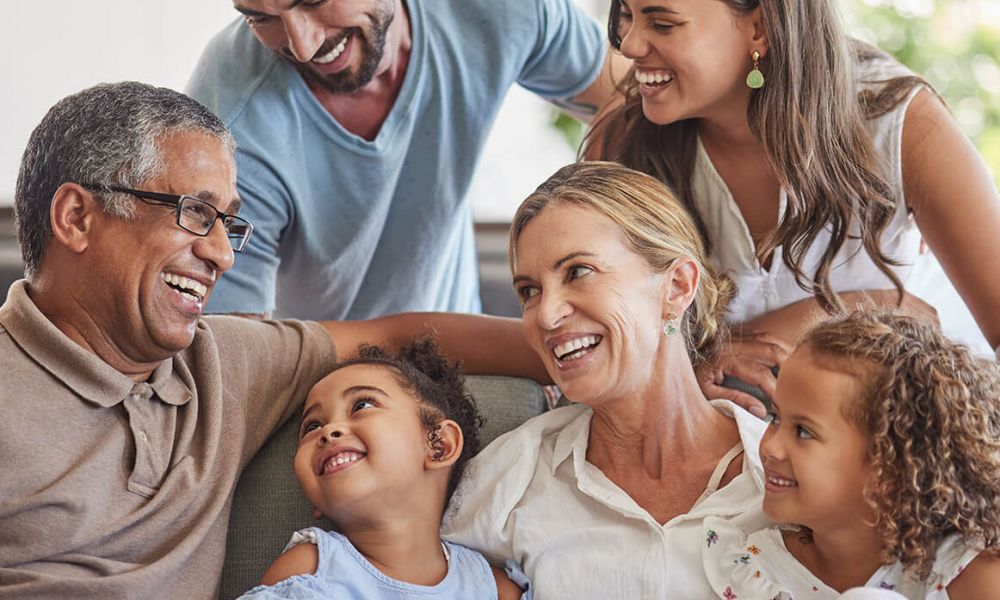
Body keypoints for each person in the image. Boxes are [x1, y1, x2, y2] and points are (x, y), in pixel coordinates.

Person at [0, 81, 544, 599]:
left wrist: (597, 360)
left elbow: (395, 335)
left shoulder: (221, 360)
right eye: (195, 213)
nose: (223, 255)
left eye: (228, 224)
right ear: (76, 218)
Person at [586, 0, 1000, 412]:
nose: (628, 44)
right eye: (626, 15)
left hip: (907, 419)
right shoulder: (627, 140)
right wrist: (852, 308)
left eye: (662, 23)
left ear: (760, 28)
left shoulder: (898, 121)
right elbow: (596, 337)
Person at [441, 161, 773, 597]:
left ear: (676, 286)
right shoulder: (508, 482)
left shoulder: (782, 475)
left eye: (578, 271)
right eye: (529, 291)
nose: (546, 313)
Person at [185, 0, 625, 321]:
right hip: (320, 390)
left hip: (466, 355)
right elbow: (238, 363)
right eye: (260, 17)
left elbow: (635, 101)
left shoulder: (492, 9)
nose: (302, 45)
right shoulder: (230, 128)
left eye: (314, 1)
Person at [701, 310, 1000, 598]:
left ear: (891, 469)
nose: (769, 447)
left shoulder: (964, 567)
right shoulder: (754, 570)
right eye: (776, 418)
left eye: (804, 432)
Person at [238, 338, 526, 599]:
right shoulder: (312, 569)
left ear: (439, 445)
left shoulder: (493, 588)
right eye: (312, 426)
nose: (329, 431)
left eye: (361, 405)